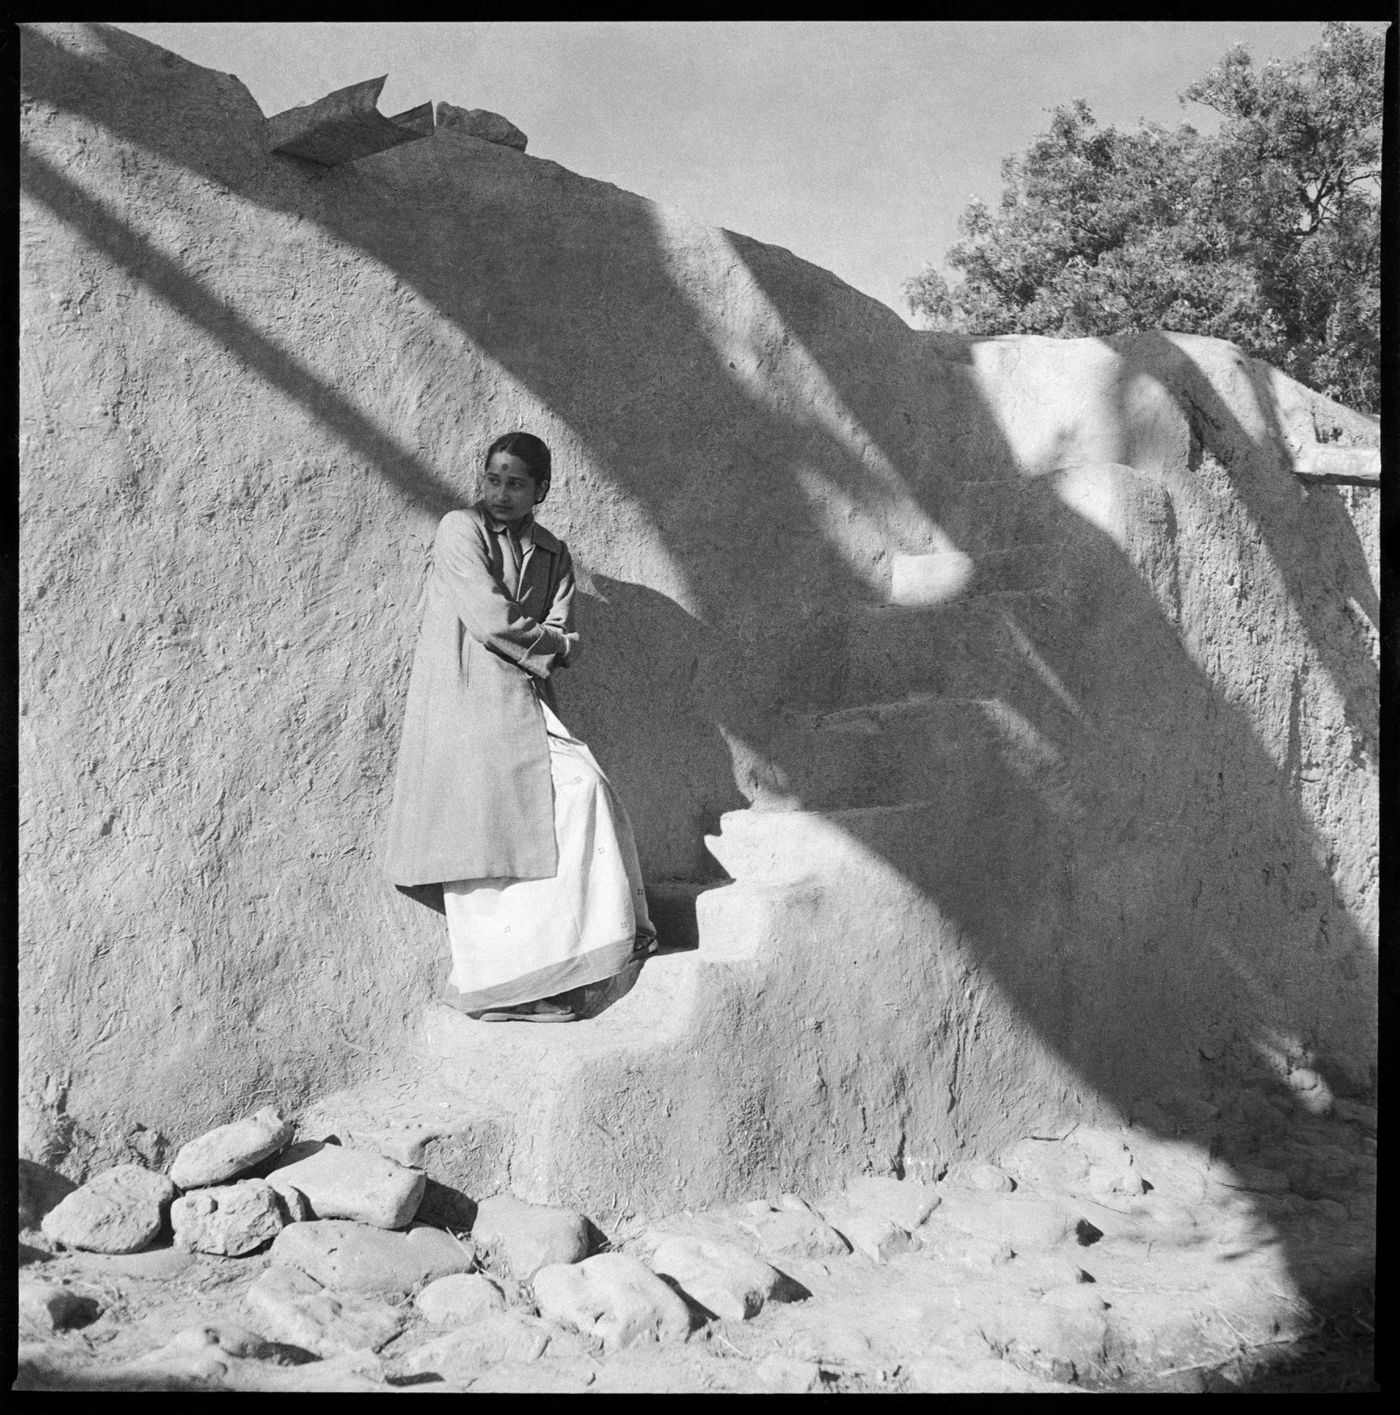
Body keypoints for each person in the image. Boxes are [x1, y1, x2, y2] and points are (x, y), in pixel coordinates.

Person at [382, 431, 656, 1022]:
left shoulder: (554, 553)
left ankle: (555, 969)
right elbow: (488, 617)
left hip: (525, 702)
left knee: (581, 792)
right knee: (484, 838)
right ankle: (495, 989)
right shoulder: (460, 529)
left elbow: (564, 629)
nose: (501, 493)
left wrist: (553, 640)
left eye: (515, 483)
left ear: (541, 490)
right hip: (467, 701)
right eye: (493, 479)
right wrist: (552, 641)